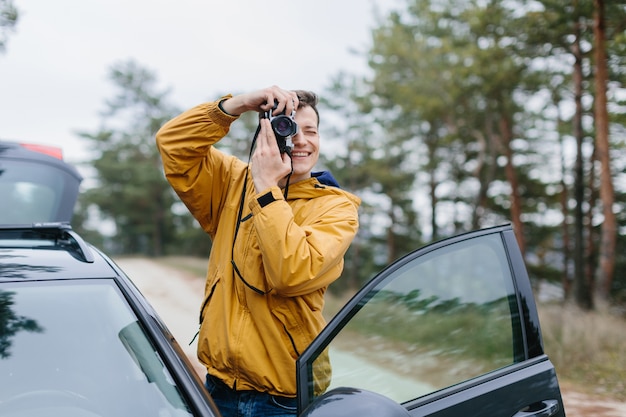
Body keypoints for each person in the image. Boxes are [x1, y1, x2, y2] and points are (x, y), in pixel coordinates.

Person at [155, 86, 361, 417]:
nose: (300, 140)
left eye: (311, 131)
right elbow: (173, 144)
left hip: (283, 399)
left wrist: (267, 189)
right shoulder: (233, 183)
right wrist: (235, 106)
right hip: (218, 386)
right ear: (266, 130)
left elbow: (292, 273)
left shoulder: (336, 208)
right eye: (289, 127)